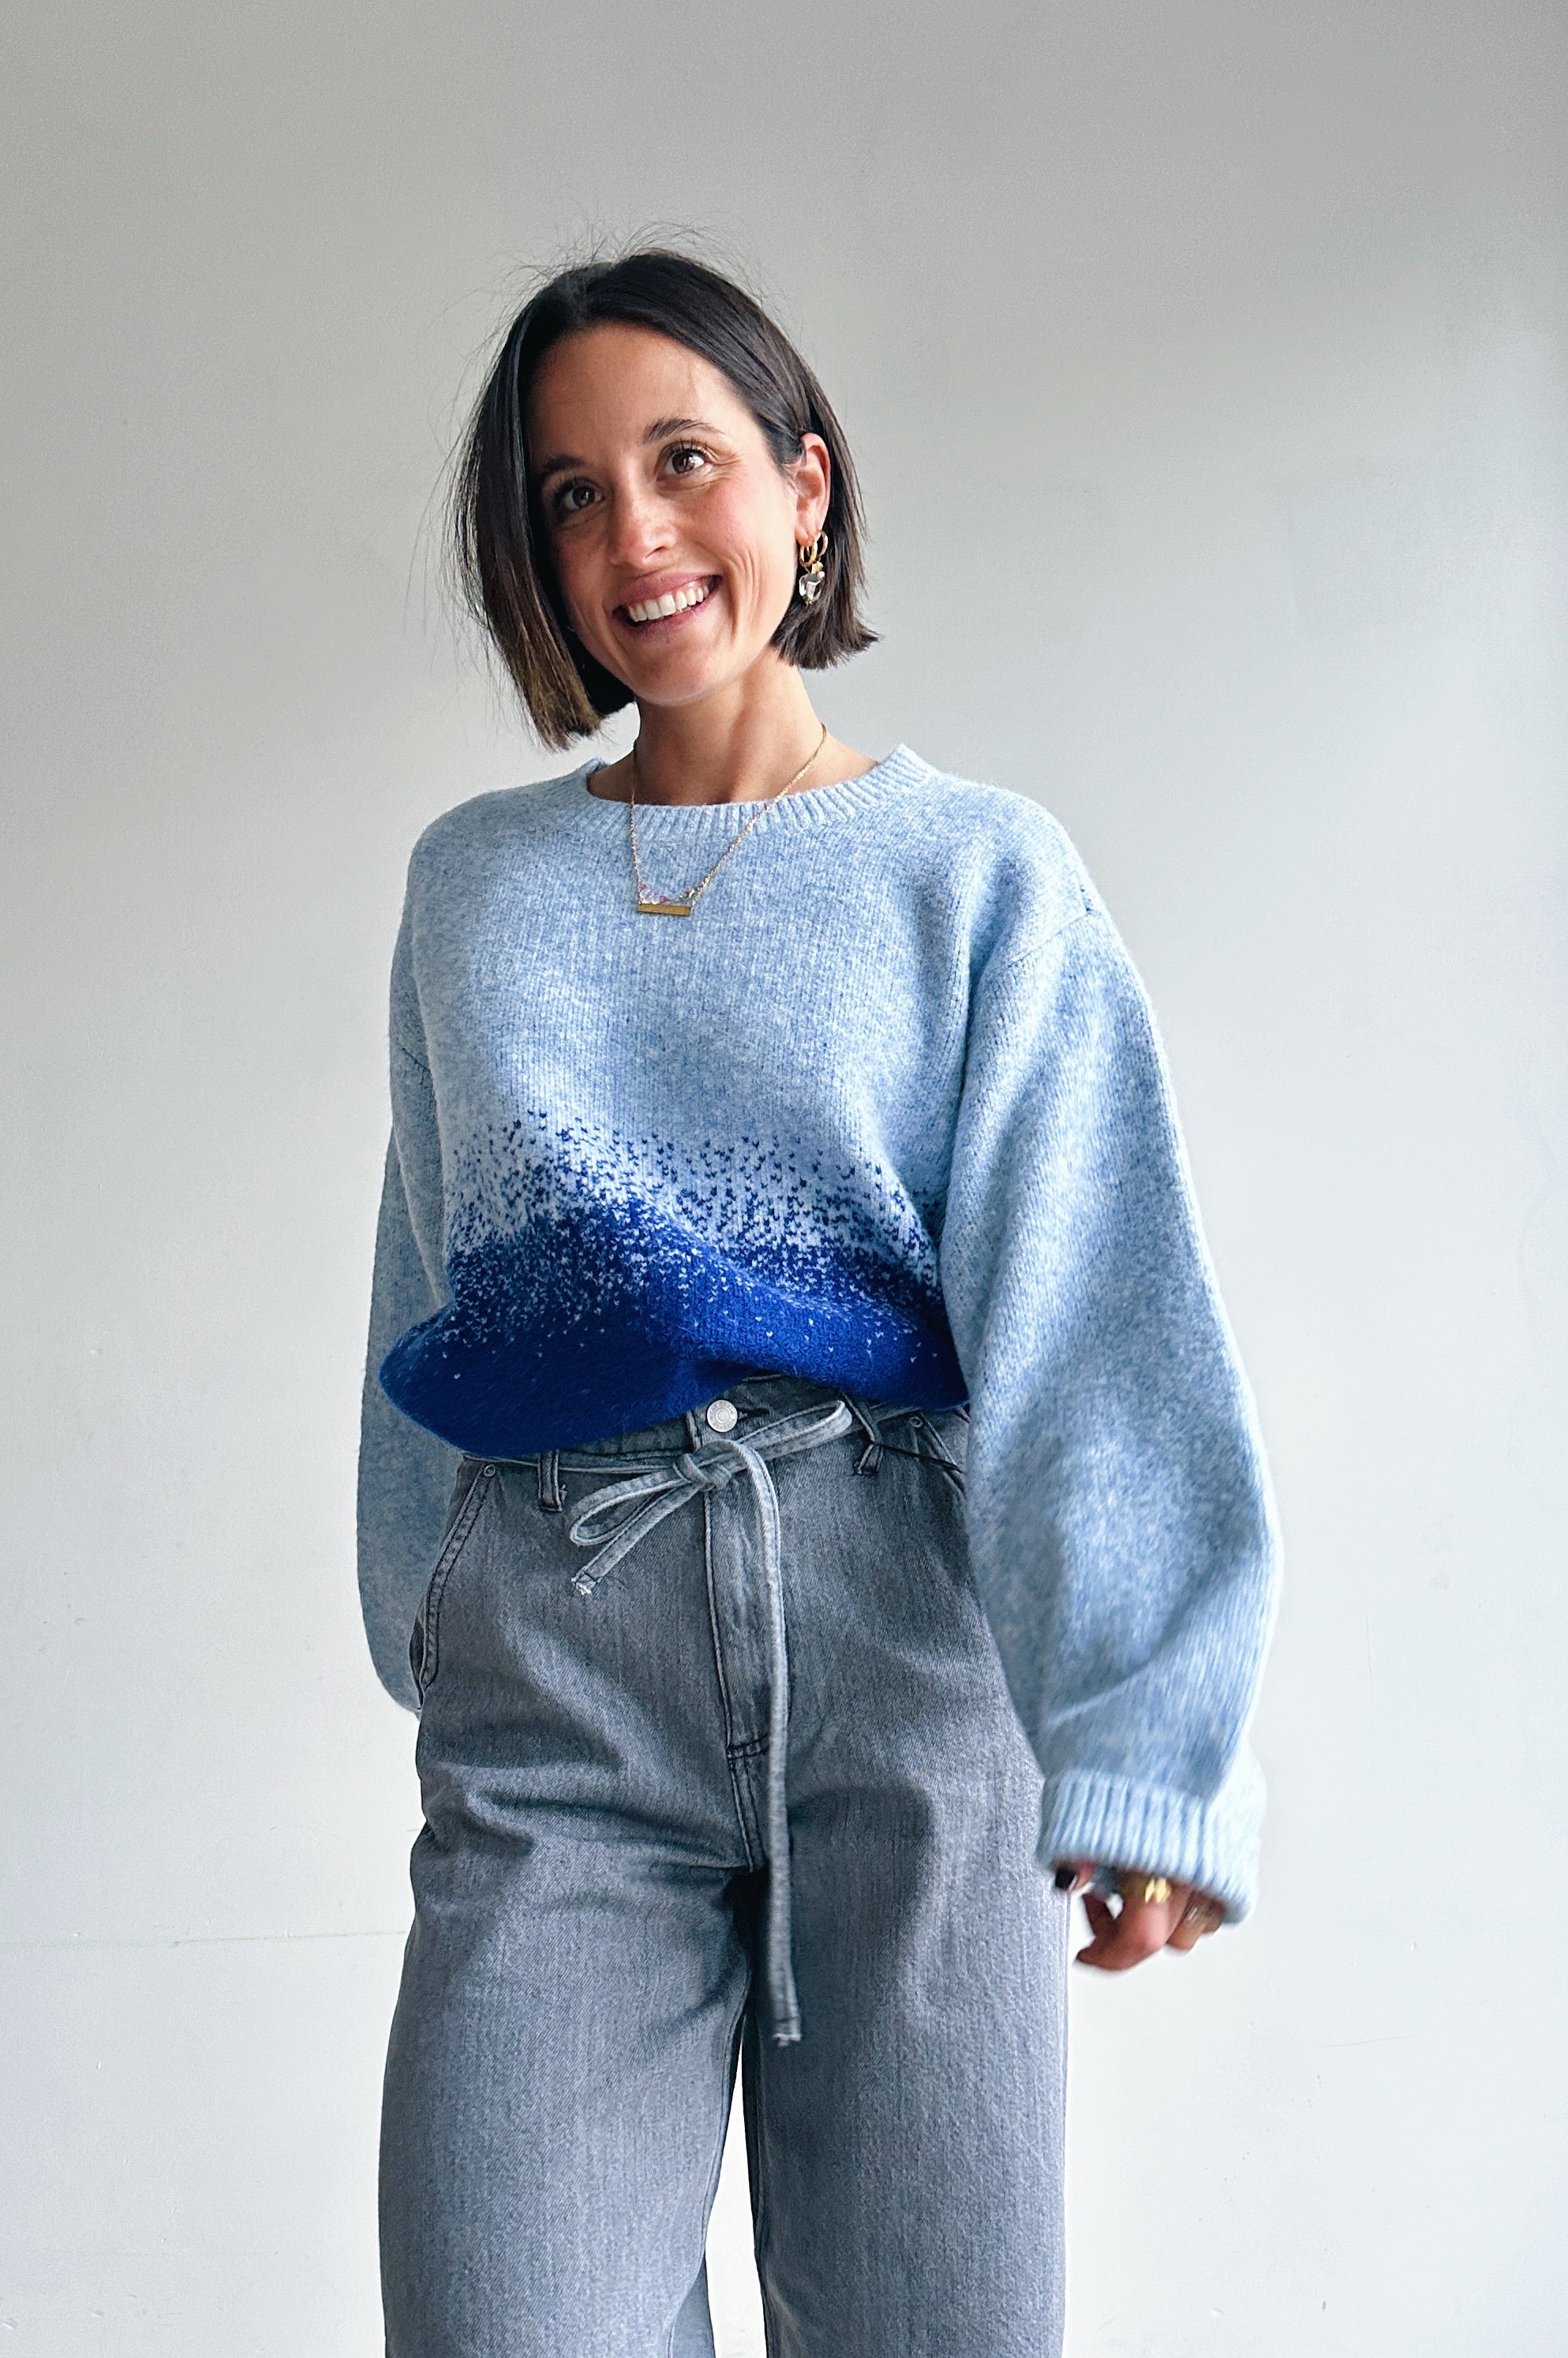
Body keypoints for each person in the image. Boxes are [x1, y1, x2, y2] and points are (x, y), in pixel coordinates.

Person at [356, 246, 1281, 2358]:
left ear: (804, 482)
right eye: (571, 494)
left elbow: (1093, 1308)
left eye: (682, 460)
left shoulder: (977, 875)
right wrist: (424, 1611)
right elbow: (431, 1278)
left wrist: (1144, 1746)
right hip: (563, 1689)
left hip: (908, 1668)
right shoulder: (474, 889)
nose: (634, 533)